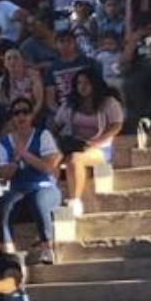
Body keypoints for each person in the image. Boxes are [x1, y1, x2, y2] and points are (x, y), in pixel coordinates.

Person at [0, 97, 63, 265]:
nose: (21, 116)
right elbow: (4, 175)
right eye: (16, 113)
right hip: (19, 189)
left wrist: (24, 154)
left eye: (25, 111)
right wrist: (16, 161)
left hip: (44, 186)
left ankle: (47, 246)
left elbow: (48, 167)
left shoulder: (43, 135)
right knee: (4, 203)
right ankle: (8, 249)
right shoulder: (5, 142)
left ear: (31, 115)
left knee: (39, 200)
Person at [51, 67, 122, 214]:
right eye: (79, 83)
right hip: (75, 144)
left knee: (75, 159)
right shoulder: (70, 104)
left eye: (86, 83)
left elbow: (116, 126)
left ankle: (75, 201)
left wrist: (95, 143)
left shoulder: (108, 102)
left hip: (100, 147)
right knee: (53, 157)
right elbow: (56, 125)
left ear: (94, 84)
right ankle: (50, 196)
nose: (82, 87)